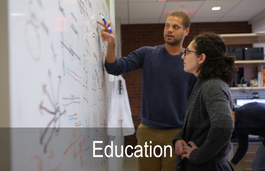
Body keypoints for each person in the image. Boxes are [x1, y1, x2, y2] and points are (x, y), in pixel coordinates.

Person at [97, 11, 197, 171]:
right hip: (147, 132)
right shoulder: (147, 54)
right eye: (167, 25)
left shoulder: (190, 61)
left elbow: (196, 103)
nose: (169, 30)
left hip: (177, 134)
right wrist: (112, 44)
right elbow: (114, 68)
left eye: (175, 27)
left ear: (186, 31)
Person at [172, 32, 237, 171]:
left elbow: (224, 125)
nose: (183, 56)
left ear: (201, 58)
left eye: (187, 52)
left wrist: (199, 155)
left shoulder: (212, 86)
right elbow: (197, 124)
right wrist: (179, 138)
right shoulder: (203, 83)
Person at [230, 102, 265, 171]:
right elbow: (243, 147)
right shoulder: (237, 127)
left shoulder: (247, 110)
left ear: (231, 112)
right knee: (257, 166)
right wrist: (231, 164)